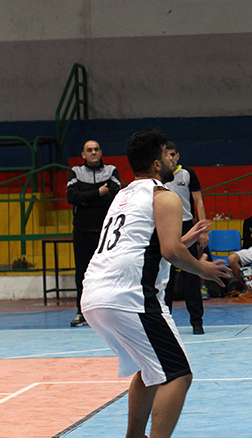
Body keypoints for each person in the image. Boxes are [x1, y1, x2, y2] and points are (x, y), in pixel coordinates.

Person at [80, 128, 231, 438]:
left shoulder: (123, 195)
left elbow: (145, 244)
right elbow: (171, 251)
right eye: (167, 153)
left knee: (150, 369)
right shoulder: (164, 196)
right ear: (157, 163)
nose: (172, 158)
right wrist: (203, 269)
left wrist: (185, 239)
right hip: (128, 295)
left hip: (94, 293)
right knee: (178, 374)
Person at [66, 140, 121, 327]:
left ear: (101, 152)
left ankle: (110, 312)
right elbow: (72, 197)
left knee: (109, 272)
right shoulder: (75, 172)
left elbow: (114, 197)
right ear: (83, 154)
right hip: (82, 231)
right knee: (82, 273)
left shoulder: (111, 170)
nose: (93, 152)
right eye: (89, 150)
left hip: (107, 232)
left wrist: (85, 199)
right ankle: (81, 312)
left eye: (96, 149)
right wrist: (98, 192)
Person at [163, 142, 208, 335]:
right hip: (165, 228)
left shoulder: (187, 174)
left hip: (186, 226)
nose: (170, 158)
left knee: (191, 276)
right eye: (166, 154)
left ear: (178, 155)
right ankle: (164, 322)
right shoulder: (158, 176)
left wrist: (202, 231)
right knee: (166, 279)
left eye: (173, 154)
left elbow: (198, 201)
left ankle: (197, 322)